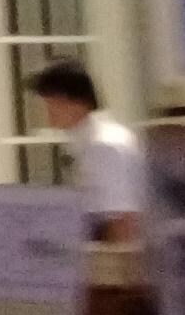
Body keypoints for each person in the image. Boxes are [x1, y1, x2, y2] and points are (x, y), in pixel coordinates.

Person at [28, 61, 142, 241]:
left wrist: (108, 258)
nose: (48, 111)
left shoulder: (104, 147)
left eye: (52, 102)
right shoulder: (91, 141)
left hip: (110, 251)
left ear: (75, 102)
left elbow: (122, 221)